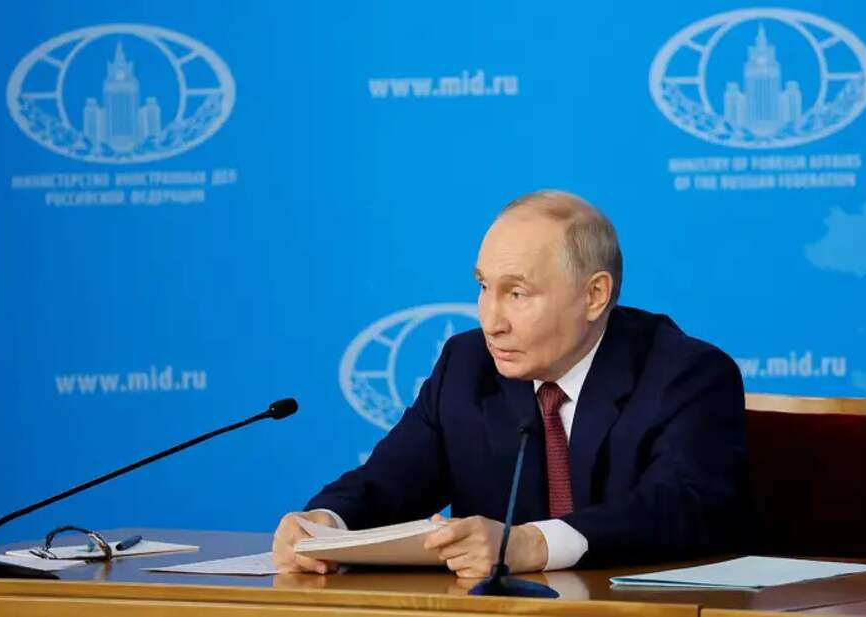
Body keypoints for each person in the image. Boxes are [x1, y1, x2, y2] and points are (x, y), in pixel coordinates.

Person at [273, 190, 748, 577]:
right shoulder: (467, 366)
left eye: (517, 293)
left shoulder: (686, 375)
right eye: (484, 287)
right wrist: (325, 524)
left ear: (594, 295)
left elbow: (681, 508)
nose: (491, 321)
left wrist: (532, 544)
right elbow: (389, 479)